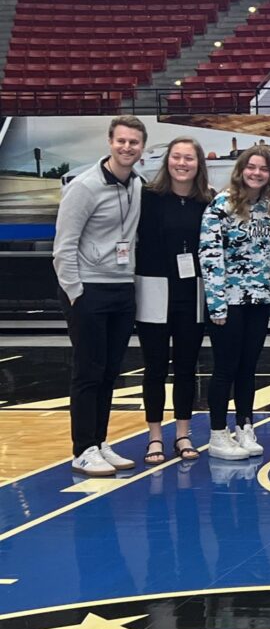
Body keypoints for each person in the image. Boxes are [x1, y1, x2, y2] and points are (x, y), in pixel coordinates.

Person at [55, 116, 146, 476]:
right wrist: (76, 293)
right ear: (110, 142)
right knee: (88, 372)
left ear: (141, 147)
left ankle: (99, 441)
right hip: (88, 290)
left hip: (122, 289)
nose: (127, 148)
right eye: (122, 141)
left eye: (134, 143)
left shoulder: (137, 185)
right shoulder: (84, 187)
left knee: (110, 372)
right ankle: (82, 448)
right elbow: (63, 247)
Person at [199, 146, 270, 460]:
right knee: (225, 369)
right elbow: (209, 254)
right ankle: (218, 433)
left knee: (248, 368)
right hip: (228, 302)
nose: (257, 173)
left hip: (258, 301)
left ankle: (245, 425)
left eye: (263, 169)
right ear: (241, 169)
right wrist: (216, 304)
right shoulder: (221, 204)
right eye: (252, 167)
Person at [135, 136, 210, 465]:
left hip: (191, 291)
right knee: (154, 367)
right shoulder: (148, 198)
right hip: (152, 288)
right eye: (177, 157)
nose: (182, 163)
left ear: (198, 164)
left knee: (185, 366)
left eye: (189, 158)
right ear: (168, 161)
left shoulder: (207, 201)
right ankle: (154, 435)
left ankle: (182, 433)